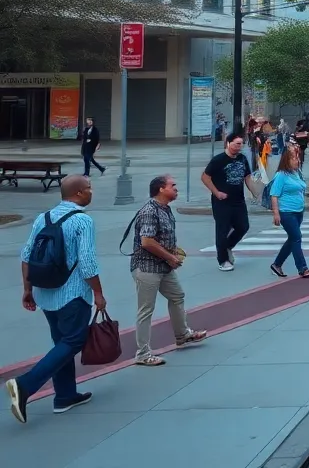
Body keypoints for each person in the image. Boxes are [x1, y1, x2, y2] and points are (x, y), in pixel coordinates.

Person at [6, 175, 105, 423]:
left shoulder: (43, 218)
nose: (92, 192)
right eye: (89, 188)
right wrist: (98, 293)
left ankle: (65, 396)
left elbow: (27, 255)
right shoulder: (83, 221)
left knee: (61, 343)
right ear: (80, 193)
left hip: (45, 293)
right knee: (73, 341)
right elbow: (88, 263)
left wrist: (27, 289)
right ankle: (25, 385)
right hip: (72, 295)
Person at [129, 175, 207, 366]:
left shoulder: (165, 209)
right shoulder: (150, 211)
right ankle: (143, 353)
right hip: (147, 267)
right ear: (161, 189)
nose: (176, 189)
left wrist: (172, 252)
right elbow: (147, 241)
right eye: (173, 186)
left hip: (163, 265)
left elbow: (161, 237)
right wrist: (170, 257)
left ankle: (182, 335)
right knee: (146, 309)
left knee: (177, 295)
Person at [201, 133, 260, 271]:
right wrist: (217, 193)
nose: (239, 147)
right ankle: (223, 260)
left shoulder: (243, 159)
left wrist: (255, 193)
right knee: (222, 230)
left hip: (238, 200)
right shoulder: (218, 160)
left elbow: (247, 177)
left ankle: (228, 246)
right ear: (228, 143)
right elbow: (205, 177)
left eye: (241, 144)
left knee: (243, 226)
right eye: (236, 144)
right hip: (222, 202)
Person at [268, 146, 309, 279]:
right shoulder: (281, 175)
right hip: (286, 212)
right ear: (286, 160)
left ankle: (277, 264)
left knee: (292, 239)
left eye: (297, 158)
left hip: (298, 211)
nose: (297, 161)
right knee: (296, 237)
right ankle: (303, 268)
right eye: (294, 159)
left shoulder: (296, 173)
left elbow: (301, 188)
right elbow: (274, 195)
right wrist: (276, 214)